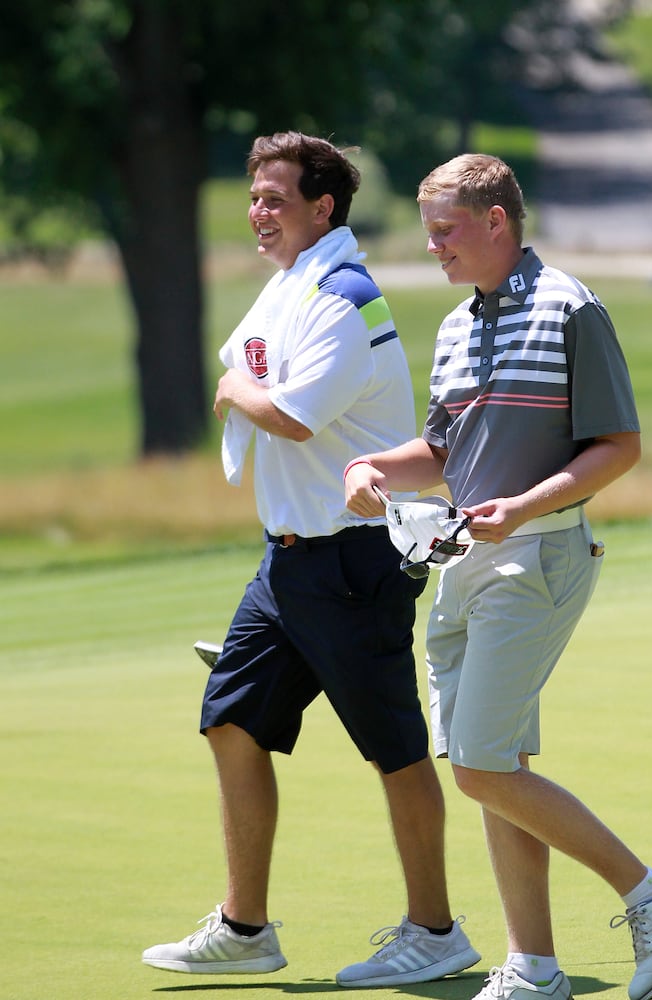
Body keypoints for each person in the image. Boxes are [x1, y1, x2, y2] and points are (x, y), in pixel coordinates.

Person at [344, 153, 652, 1000]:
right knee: (497, 766)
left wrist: (520, 506)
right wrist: (374, 469)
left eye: (445, 230)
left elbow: (617, 446)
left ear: (495, 222)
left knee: (476, 765)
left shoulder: (571, 309)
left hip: (537, 553)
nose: (433, 247)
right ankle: (534, 966)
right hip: (464, 560)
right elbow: (442, 452)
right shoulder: (454, 327)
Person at [141, 132, 479, 986]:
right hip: (287, 565)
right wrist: (242, 386)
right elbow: (245, 363)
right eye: (254, 198)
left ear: (321, 207)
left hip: (353, 561)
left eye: (275, 199)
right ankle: (245, 927)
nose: (259, 213)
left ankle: (437, 931)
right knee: (231, 721)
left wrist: (234, 394)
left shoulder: (345, 296)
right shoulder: (289, 286)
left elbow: (286, 412)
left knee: (392, 749)